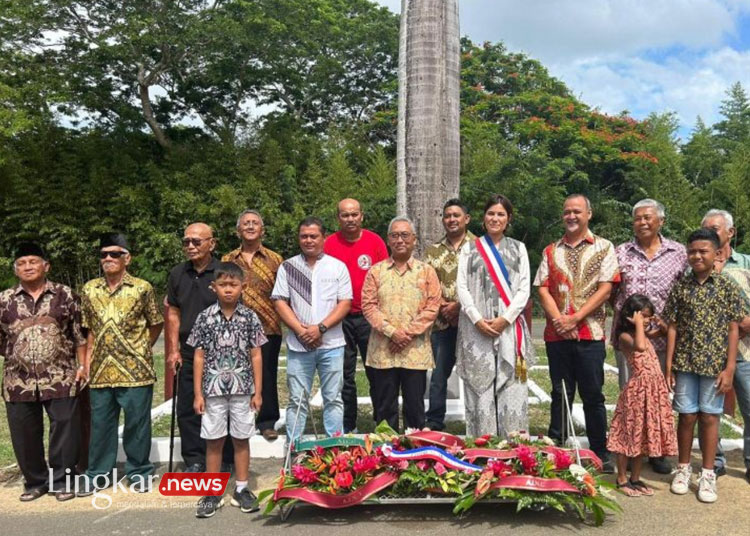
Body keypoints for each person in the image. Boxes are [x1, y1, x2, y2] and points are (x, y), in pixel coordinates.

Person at [533, 194, 620, 472]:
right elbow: (542, 288)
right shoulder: (551, 250)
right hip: (556, 334)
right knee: (560, 392)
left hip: (590, 334)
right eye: (567, 212)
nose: (571, 216)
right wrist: (560, 319)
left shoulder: (604, 248)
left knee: (593, 394)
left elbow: (606, 288)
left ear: (589, 214)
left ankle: (599, 450)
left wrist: (575, 319)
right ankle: (556, 446)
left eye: (577, 212)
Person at [0, 243, 87, 502]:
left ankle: (62, 481)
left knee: (65, 430)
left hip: (61, 375)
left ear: (46, 266)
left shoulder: (65, 294)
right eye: (22, 263)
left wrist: (82, 366)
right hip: (18, 379)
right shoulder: (4, 300)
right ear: (16, 269)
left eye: (33, 261)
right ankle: (35, 481)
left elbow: (79, 334)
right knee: (24, 431)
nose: (28, 266)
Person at [79, 234, 163, 494]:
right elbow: (88, 329)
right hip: (102, 369)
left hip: (136, 371)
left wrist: (140, 349)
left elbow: (155, 322)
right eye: (103, 254)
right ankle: (98, 475)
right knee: (101, 426)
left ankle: (138, 471)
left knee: (137, 425)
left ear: (127, 258)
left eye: (114, 254)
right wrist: (86, 363)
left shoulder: (142, 288)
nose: (108, 259)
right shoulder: (90, 289)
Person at [664, 228, 744, 503]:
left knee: (710, 417)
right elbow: (672, 326)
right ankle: (683, 468)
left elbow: (734, 328)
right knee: (686, 416)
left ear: (717, 254)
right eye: (692, 251)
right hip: (685, 364)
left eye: (703, 251)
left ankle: (707, 473)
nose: (696, 256)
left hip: (715, 366)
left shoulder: (726, 287)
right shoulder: (681, 286)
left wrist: (730, 368)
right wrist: (669, 364)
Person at [611, 198, 687, 474]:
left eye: (648, 218)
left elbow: (683, 295)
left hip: (663, 340)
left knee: (659, 397)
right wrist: (627, 325)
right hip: (631, 342)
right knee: (630, 396)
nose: (642, 222)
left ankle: (655, 451)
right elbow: (611, 293)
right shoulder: (620, 252)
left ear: (661, 221)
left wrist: (665, 325)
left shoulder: (678, 253)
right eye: (637, 218)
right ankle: (628, 452)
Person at [188, 262, 266, 518]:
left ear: (243, 287)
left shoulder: (250, 317)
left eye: (234, 285)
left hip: (243, 388)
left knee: (241, 437)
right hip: (212, 389)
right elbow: (199, 356)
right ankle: (213, 491)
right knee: (214, 439)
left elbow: (256, 355)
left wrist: (258, 391)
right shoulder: (205, 318)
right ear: (214, 288)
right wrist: (198, 394)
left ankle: (242, 488)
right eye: (223, 285)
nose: (229, 290)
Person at [455, 195, 535, 437]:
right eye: (491, 213)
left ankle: (513, 451)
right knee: (479, 387)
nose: (495, 218)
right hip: (475, 327)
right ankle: (481, 448)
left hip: (509, 327)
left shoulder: (518, 248)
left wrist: (505, 319)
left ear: (508, 218)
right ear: (483, 218)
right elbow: (461, 286)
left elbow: (524, 289)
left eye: (501, 214)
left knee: (512, 386)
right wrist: (477, 319)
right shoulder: (469, 248)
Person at [272, 217, 352, 444]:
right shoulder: (288, 267)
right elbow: (280, 301)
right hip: (299, 346)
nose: (308, 240)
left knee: (333, 399)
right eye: (304, 236)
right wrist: (300, 330)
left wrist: (320, 328)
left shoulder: (337, 267)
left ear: (323, 238)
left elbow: (344, 303)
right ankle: (294, 449)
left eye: (313, 236)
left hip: (332, 345)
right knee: (296, 400)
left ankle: (334, 450)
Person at [361, 217, 441, 431]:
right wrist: (392, 332)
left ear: (414, 240)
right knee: (385, 407)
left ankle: (415, 455)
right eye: (395, 235)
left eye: (405, 235)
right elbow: (368, 306)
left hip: (414, 352)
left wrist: (406, 334)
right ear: (388, 240)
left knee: (415, 407)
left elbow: (433, 307)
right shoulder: (375, 272)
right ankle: (386, 456)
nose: (400, 240)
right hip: (383, 351)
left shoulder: (427, 272)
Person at [166, 223, 232, 472]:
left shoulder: (224, 272)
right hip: (188, 350)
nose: (190, 246)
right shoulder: (177, 274)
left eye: (196, 241)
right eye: (186, 242)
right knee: (188, 407)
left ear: (211, 243)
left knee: (221, 404)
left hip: (221, 351)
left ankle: (224, 459)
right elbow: (173, 311)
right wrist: (173, 349)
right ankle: (194, 458)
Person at [324, 198, 388, 433]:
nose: (350, 219)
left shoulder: (375, 241)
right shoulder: (329, 244)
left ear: (361, 216)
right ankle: (347, 425)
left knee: (376, 373)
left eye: (354, 214)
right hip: (339, 320)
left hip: (369, 318)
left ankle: (381, 423)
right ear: (338, 218)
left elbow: (385, 277)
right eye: (345, 215)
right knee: (344, 376)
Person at [607, 294, 678, 497]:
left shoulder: (644, 333)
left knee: (643, 437)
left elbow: (665, 332)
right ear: (631, 317)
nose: (646, 321)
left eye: (648, 317)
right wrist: (639, 324)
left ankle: (636, 478)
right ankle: (621, 478)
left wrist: (657, 321)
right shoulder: (625, 337)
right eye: (643, 316)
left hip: (653, 392)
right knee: (629, 437)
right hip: (637, 392)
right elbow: (639, 346)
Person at [223, 210, 284, 441]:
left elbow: (285, 293)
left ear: (262, 230)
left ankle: (267, 421)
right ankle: (238, 421)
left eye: (255, 223)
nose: (250, 226)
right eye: (245, 223)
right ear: (238, 230)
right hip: (233, 328)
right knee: (236, 374)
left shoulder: (275, 260)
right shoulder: (228, 260)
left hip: (268, 327)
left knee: (267, 375)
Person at [702, 209, 750, 481]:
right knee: (708, 411)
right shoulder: (696, 264)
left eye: (716, 228)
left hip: (745, 351)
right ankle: (715, 461)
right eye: (706, 228)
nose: (710, 233)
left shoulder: (745, 262)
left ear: (730, 232)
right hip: (708, 352)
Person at [424, 198, 476, 431]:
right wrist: (446, 307)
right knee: (438, 377)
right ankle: (435, 422)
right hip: (442, 324)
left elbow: (483, 285)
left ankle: (479, 421)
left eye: (456, 215)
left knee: (477, 375)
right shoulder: (433, 251)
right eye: (447, 216)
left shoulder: (480, 247)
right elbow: (426, 285)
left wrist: (460, 307)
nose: (451, 219)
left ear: (467, 219)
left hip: (474, 324)